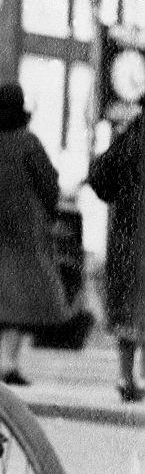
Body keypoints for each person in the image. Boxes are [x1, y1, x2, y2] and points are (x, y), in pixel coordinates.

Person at [0, 82, 72, 386]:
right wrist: (51, 214)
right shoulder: (28, 142)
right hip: (23, 232)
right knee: (19, 300)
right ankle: (8, 364)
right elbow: (49, 183)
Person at [88, 107, 145, 402]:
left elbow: (97, 175)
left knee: (128, 308)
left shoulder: (130, 135)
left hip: (126, 236)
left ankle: (126, 377)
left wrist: (120, 196)